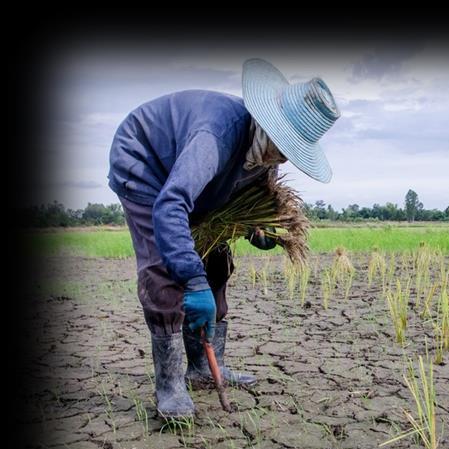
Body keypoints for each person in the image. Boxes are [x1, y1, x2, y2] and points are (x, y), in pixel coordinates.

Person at [107, 58, 340, 418]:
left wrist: (254, 230)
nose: (281, 157)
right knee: (164, 269)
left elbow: (229, 198)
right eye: (281, 143)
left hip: (189, 183)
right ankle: (169, 386)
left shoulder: (266, 156)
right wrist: (191, 279)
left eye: (290, 150)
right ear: (266, 122)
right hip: (145, 164)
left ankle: (203, 367)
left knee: (216, 263)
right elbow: (170, 205)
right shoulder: (215, 136)